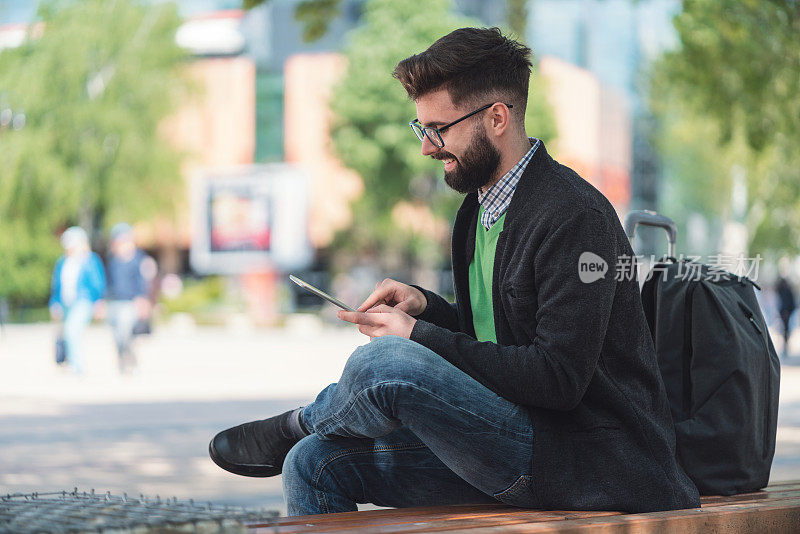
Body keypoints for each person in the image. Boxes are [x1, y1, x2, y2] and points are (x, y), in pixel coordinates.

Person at [209, 27, 700, 515]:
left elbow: (557, 379)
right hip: (513, 437)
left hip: (589, 461)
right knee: (312, 463)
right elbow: (491, 342)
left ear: (497, 118)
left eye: (439, 129)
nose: (427, 147)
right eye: (421, 129)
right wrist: (427, 309)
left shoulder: (574, 216)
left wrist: (418, 335)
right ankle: (303, 436)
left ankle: (297, 422)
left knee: (385, 364)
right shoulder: (476, 212)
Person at [49, 226, 106, 374]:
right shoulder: (62, 261)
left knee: (72, 330)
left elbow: (98, 283)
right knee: (68, 332)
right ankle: (71, 361)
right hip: (66, 303)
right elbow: (57, 285)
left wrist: (99, 302)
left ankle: (77, 365)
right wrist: (54, 303)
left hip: (84, 301)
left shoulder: (90, 260)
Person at [105, 223, 156, 373]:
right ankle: (124, 359)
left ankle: (130, 359)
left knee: (124, 331)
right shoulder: (113, 260)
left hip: (131, 302)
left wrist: (143, 300)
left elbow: (144, 282)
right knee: (117, 337)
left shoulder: (139, 259)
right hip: (114, 302)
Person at [776, 275, 796, 359]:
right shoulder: (783, 291)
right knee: (785, 329)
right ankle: (785, 344)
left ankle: (785, 344)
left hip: (786, 312)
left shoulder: (786, 291)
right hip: (785, 312)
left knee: (786, 330)